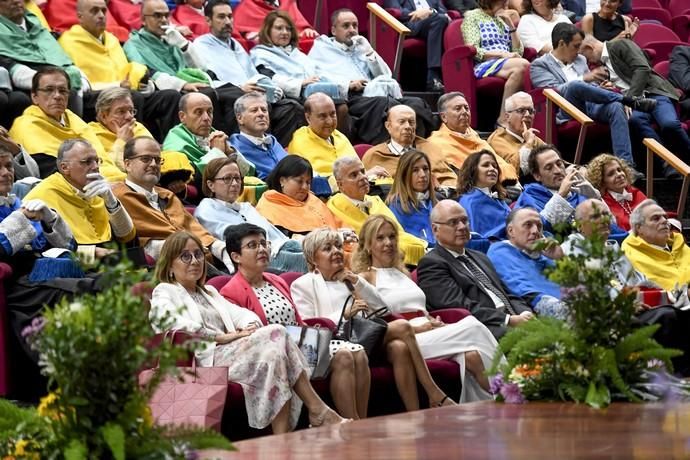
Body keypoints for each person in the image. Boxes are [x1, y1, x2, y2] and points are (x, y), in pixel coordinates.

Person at [150, 231, 348, 433]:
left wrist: (249, 327)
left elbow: (242, 315)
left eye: (198, 254)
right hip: (203, 361)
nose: (194, 261)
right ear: (170, 265)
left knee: (274, 354)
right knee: (277, 334)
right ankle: (317, 410)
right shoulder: (165, 291)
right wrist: (220, 337)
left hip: (229, 354)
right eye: (185, 256)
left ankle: (282, 438)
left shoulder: (210, 292)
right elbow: (166, 321)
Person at [291, 227, 457, 409]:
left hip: (366, 337)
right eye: (328, 248)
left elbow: (382, 308)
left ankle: (414, 413)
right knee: (402, 326)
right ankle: (434, 393)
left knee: (399, 348)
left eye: (338, 246)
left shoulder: (348, 279)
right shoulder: (303, 284)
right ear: (313, 259)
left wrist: (358, 282)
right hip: (337, 341)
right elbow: (309, 325)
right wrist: (345, 314)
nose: (336, 251)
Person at [220, 223, 370, 419]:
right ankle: (351, 422)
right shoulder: (230, 292)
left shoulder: (277, 280)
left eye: (264, 244)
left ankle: (360, 420)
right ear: (235, 257)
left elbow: (299, 322)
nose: (262, 249)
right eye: (253, 245)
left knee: (357, 353)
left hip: (301, 346)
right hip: (277, 356)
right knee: (344, 355)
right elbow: (249, 340)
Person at [354, 214, 501, 402]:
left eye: (392, 237)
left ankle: (485, 411)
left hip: (430, 332)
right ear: (367, 245)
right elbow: (370, 324)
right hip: (407, 340)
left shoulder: (403, 274)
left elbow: (420, 309)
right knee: (473, 326)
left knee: (472, 356)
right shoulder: (365, 278)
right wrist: (416, 328)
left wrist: (432, 321)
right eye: (380, 238)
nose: (388, 243)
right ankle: (511, 391)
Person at [529, 24, 655, 171]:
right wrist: (584, 79)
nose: (579, 51)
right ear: (562, 43)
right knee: (575, 86)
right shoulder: (539, 65)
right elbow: (553, 91)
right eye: (575, 46)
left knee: (615, 106)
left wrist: (599, 87)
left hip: (591, 104)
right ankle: (626, 100)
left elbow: (588, 87)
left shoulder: (580, 60)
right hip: (567, 109)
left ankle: (627, 166)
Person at [307, 9, 436, 144]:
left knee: (416, 103)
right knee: (386, 104)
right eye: (346, 26)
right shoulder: (321, 49)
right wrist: (348, 84)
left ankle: (417, 146)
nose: (352, 30)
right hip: (351, 97)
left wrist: (369, 52)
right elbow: (317, 80)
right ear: (333, 30)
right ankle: (390, 148)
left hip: (375, 93)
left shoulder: (361, 45)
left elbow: (386, 75)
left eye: (355, 26)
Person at [58, 0, 180, 139]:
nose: (101, 15)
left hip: (125, 92)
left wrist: (143, 83)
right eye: (94, 11)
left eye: (104, 11)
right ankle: (134, 148)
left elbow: (127, 71)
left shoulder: (112, 39)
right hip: (94, 96)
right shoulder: (68, 41)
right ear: (80, 16)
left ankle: (171, 145)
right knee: (132, 97)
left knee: (170, 96)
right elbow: (78, 82)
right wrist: (118, 86)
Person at [189, 0, 304, 146]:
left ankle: (277, 150)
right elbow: (209, 80)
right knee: (254, 105)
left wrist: (269, 86)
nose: (227, 21)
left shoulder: (236, 44)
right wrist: (239, 87)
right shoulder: (201, 45)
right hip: (228, 97)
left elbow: (252, 73)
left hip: (252, 92)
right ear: (208, 20)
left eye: (230, 17)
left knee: (291, 107)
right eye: (221, 17)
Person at [111, 137, 233, 272]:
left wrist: (218, 247)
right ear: (127, 164)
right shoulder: (119, 196)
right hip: (162, 265)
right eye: (145, 159)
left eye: (157, 160)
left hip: (200, 256)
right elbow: (139, 242)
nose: (153, 164)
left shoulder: (167, 195)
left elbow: (193, 227)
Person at [417, 200, 534, 339]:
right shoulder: (431, 263)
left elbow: (507, 293)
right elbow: (460, 308)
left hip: (511, 319)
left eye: (464, 221)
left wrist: (525, 313)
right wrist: (508, 319)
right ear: (435, 229)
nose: (462, 227)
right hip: (483, 327)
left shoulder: (480, 256)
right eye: (453, 222)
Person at [580, 35, 690, 170]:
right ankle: (668, 165)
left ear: (589, 47)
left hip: (654, 93)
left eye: (585, 55)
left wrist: (629, 99)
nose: (587, 60)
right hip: (637, 103)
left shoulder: (620, 44)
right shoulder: (603, 66)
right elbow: (623, 83)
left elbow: (642, 68)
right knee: (634, 121)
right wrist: (608, 87)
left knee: (669, 124)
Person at [195, 157, 308, 273]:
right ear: (211, 185)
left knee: (317, 247)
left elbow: (275, 236)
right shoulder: (206, 208)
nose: (234, 183)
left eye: (237, 178)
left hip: (279, 246)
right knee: (316, 260)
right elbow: (229, 235)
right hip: (257, 256)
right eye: (227, 179)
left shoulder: (246, 207)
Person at [9, 67, 124, 180]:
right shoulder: (26, 125)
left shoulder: (74, 119)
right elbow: (50, 169)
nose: (57, 96)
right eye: (49, 90)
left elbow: (102, 158)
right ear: (34, 97)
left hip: (110, 178)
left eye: (62, 91)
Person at [24, 138, 136, 253]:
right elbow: (46, 251)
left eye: (97, 161)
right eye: (87, 162)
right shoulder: (42, 195)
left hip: (109, 262)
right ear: (64, 167)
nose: (95, 167)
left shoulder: (99, 192)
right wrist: (94, 255)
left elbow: (127, 236)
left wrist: (111, 200)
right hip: (75, 266)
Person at [249, 11, 345, 132]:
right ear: (268, 30)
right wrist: (300, 83)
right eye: (279, 28)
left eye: (288, 29)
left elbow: (319, 73)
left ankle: (336, 142)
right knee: (300, 108)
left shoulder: (298, 54)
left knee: (341, 105)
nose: (285, 32)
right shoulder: (260, 53)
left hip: (313, 92)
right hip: (288, 95)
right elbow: (269, 77)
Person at [327, 156, 428, 266]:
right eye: (354, 175)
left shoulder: (375, 200)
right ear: (340, 184)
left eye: (362, 171)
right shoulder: (333, 207)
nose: (362, 177)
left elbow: (399, 233)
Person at [0, 0, 83, 114]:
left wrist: (80, 78)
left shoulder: (34, 22)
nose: (15, 1)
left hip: (59, 77)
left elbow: (62, 59)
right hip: (28, 83)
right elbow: (14, 69)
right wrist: (55, 81)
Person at [487, 207, 567, 319]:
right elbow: (525, 292)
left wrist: (561, 259)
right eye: (528, 225)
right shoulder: (500, 252)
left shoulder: (547, 252)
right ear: (511, 231)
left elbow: (579, 285)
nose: (535, 231)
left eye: (539, 226)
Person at [427, 92, 518, 184]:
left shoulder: (476, 138)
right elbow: (446, 179)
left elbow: (501, 164)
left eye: (466, 108)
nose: (464, 112)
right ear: (444, 117)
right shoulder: (434, 143)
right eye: (458, 109)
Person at [461, 0, 528, 122]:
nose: (506, 5)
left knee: (521, 70)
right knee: (523, 65)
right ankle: (503, 120)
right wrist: (502, 55)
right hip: (483, 64)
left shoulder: (502, 18)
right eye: (502, 2)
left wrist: (510, 25)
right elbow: (473, 49)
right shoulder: (472, 16)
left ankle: (504, 120)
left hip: (508, 62)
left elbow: (519, 51)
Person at [515, 145, 604, 234]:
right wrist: (561, 195)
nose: (557, 171)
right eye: (549, 168)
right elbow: (538, 231)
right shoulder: (529, 198)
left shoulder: (580, 191)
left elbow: (610, 228)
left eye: (559, 164)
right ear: (537, 176)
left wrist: (596, 199)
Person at [362, 104, 456, 187]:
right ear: (388, 126)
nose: (407, 126)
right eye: (402, 122)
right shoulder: (374, 155)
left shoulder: (431, 148)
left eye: (411, 122)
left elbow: (449, 179)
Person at [162, 92, 253, 176]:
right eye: (199, 112)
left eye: (209, 112)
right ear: (182, 117)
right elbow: (192, 180)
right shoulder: (174, 145)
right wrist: (217, 152)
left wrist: (230, 153)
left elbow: (250, 174)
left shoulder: (215, 135)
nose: (206, 118)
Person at [255, 155, 340, 237]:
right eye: (299, 181)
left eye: (308, 182)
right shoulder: (268, 207)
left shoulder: (313, 200)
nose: (305, 187)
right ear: (282, 181)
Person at [622, 200, 690, 292]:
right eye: (656, 218)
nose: (664, 221)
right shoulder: (630, 254)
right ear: (639, 228)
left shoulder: (679, 243)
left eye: (665, 217)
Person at [286, 92, 358, 178]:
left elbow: (359, 169)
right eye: (322, 116)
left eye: (333, 114)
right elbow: (313, 182)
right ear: (308, 118)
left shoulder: (339, 136)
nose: (330, 121)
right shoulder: (299, 141)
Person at [383, 0, 449, 91]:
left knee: (442, 21)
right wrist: (418, 13)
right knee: (439, 20)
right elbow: (396, 10)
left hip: (434, 21)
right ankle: (433, 76)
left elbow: (444, 12)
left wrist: (430, 11)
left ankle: (448, 78)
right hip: (410, 24)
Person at [228, 92, 287, 181]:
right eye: (254, 110)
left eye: (264, 110)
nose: (261, 114)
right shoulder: (234, 149)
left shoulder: (273, 141)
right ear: (240, 118)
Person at [386, 150, 438, 246]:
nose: (422, 175)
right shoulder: (396, 206)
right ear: (404, 175)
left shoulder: (437, 203)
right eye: (415, 170)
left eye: (425, 169)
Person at [457, 150, 511, 241]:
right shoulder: (469, 202)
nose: (492, 169)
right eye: (486, 165)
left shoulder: (499, 200)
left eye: (495, 166)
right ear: (473, 171)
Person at [487, 92, 544, 175]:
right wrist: (528, 145)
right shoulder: (497, 140)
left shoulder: (533, 138)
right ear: (507, 117)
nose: (528, 115)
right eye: (521, 110)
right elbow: (515, 170)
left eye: (531, 111)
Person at [587, 153, 646, 231]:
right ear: (601, 182)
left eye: (619, 170)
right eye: (611, 174)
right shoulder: (603, 204)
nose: (619, 174)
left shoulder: (636, 193)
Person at [233, 0, 317, 44]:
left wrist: (306, 30)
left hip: (294, 48)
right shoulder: (247, 5)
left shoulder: (287, 2)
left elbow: (300, 25)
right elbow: (242, 33)